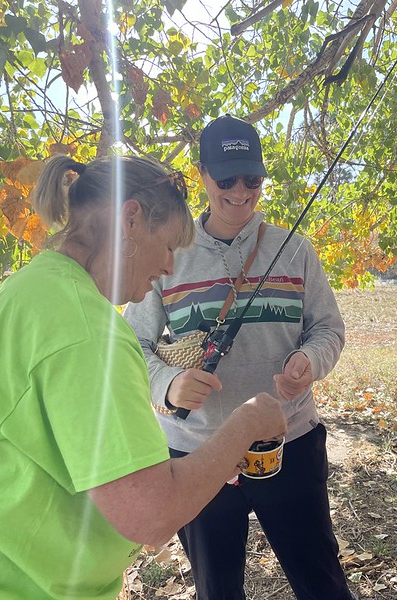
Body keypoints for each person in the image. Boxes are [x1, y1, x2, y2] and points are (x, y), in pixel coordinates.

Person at [0, 154, 286, 600]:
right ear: (130, 219)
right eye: (169, 244)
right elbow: (150, 515)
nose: (170, 266)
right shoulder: (85, 328)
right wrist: (246, 424)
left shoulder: (32, 285)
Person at [124, 114, 354, 600]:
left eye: (252, 178)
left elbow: (328, 328)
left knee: (322, 583)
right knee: (218, 590)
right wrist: (167, 384)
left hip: (290, 443)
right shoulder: (167, 253)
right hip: (197, 455)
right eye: (226, 179)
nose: (240, 191)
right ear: (202, 175)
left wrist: (310, 362)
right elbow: (131, 348)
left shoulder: (296, 250)